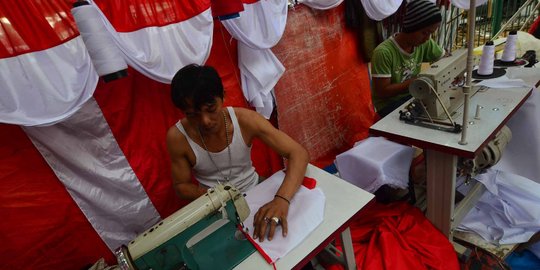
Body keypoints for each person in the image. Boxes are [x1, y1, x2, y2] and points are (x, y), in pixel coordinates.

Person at [166, 64, 310, 242]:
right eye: (193, 115)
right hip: (214, 205)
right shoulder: (178, 137)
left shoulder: (245, 120)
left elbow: (298, 153)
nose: (205, 121)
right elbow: (181, 186)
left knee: (295, 233)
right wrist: (218, 198)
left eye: (211, 109)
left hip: (255, 188)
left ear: (223, 97)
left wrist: (281, 200)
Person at [371, 0, 444, 118]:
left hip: (414, 97)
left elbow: (445, 58)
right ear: (411, 27)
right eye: (424, 32)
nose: (427, 38)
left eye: (431, 33)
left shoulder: (424, 43)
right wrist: (415, 82)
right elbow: (382, 92)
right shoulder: (384, 52)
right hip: (389, 106)